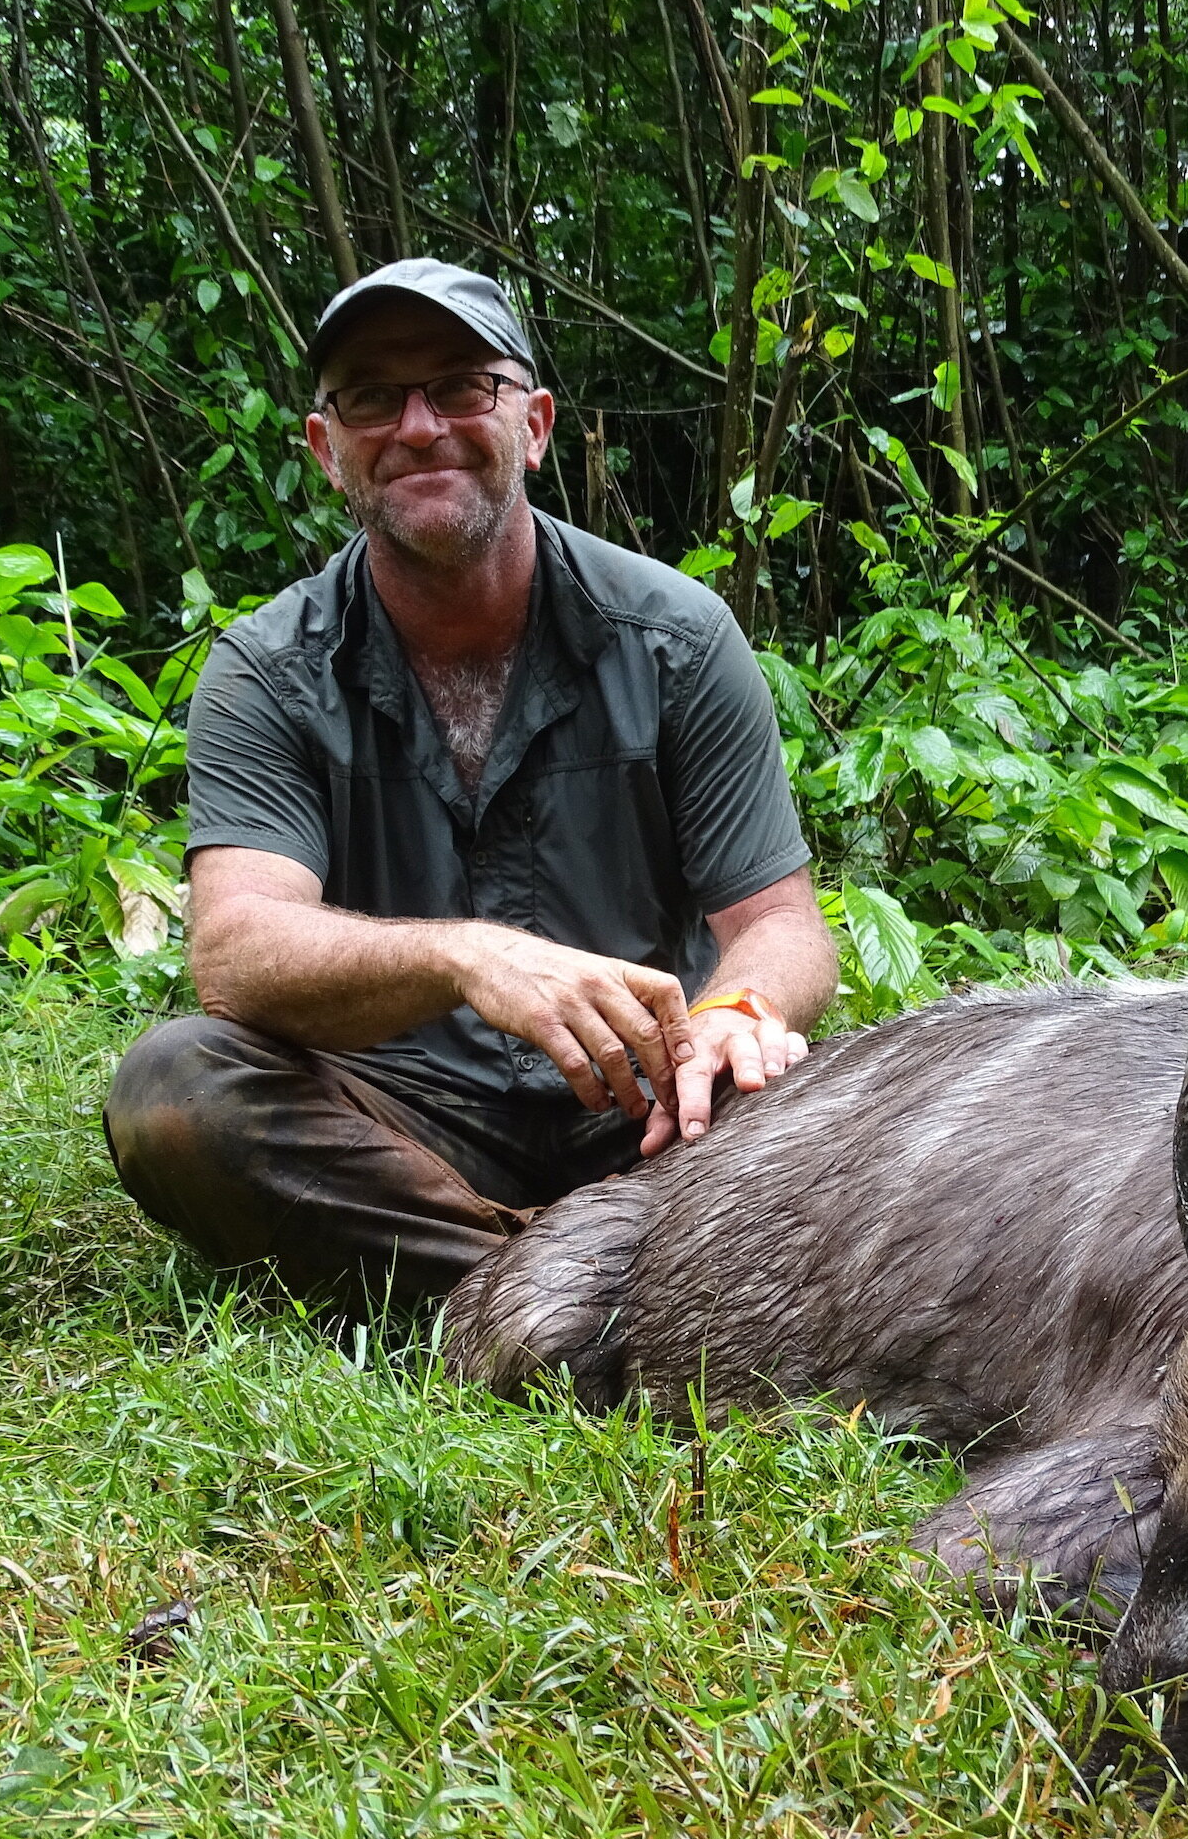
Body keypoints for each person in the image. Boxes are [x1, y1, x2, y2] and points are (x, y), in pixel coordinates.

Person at [104, 259, 838, 1314]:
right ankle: (594, 1287)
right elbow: (235, 954)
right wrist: (463, 956)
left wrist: (735, 1010)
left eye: (460, 386)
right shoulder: (267, 670)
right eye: (371, 397)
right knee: (172, 1097)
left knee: (855, 1100)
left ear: (534, 425)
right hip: (399, 1118)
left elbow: (783, 925)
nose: (417, 426)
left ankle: (495, 1283)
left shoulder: (677, 637)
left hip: (649, 1110)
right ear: (327, 450)